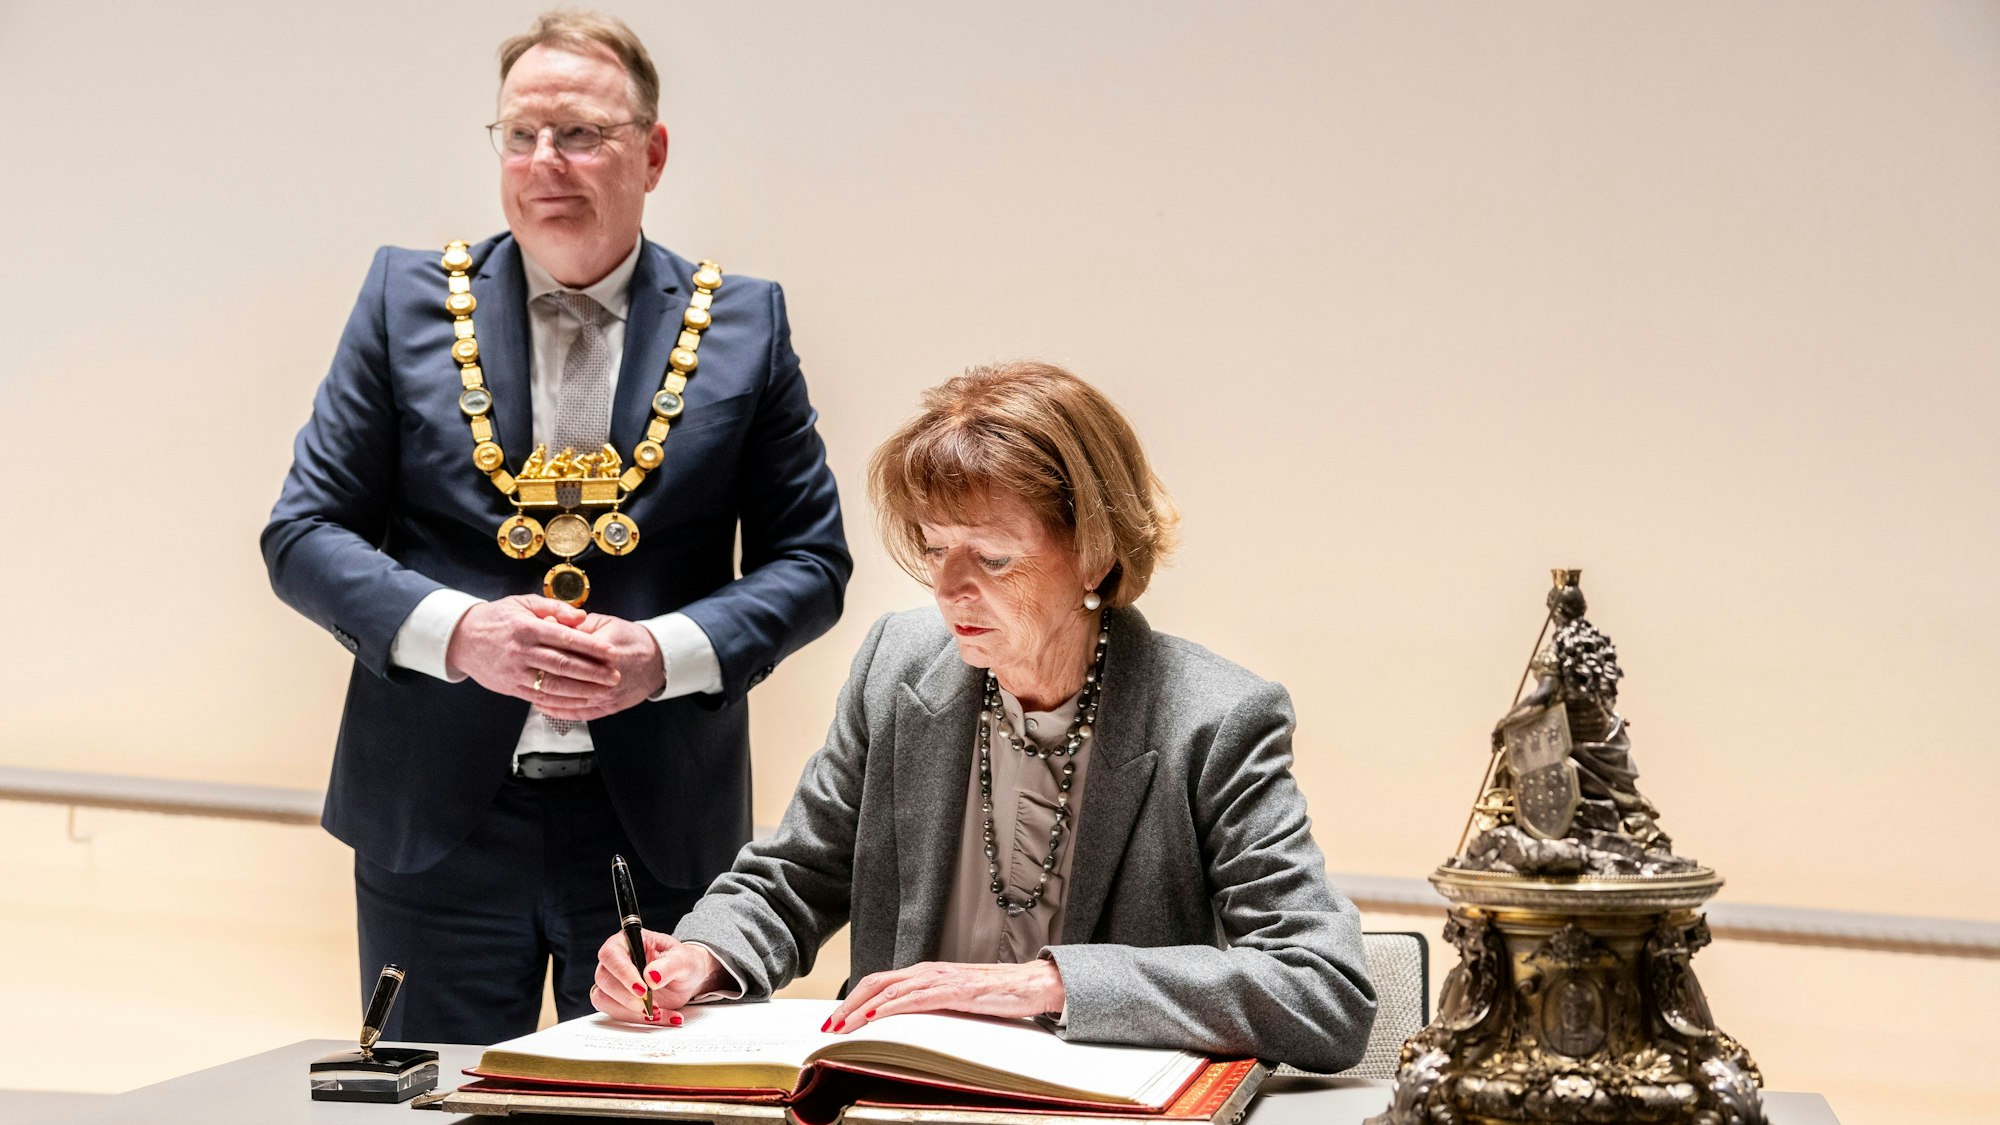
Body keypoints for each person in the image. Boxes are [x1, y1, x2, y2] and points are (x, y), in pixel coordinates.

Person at [262, 10, 850, 1042]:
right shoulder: (403, 298)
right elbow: (304, 534)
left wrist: (661, 655)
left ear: (651, 152)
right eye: (521, 134)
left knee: (647, 1113)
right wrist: (458, 632)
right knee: (433, 1106)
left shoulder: (745, 323)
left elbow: (811, 561)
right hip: (438, 821)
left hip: (654, 818)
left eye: (579, 133)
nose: (545, 163)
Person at [588, 362, 1376, 1071]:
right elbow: (795, 875)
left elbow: (1324, 988)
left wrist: (1046, 983)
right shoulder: (898, 666)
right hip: (898, 1098)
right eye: (935, 550)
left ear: (1097, 552)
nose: (949, 590)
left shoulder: (1214, 718)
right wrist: (698, 955)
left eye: (992, 557)